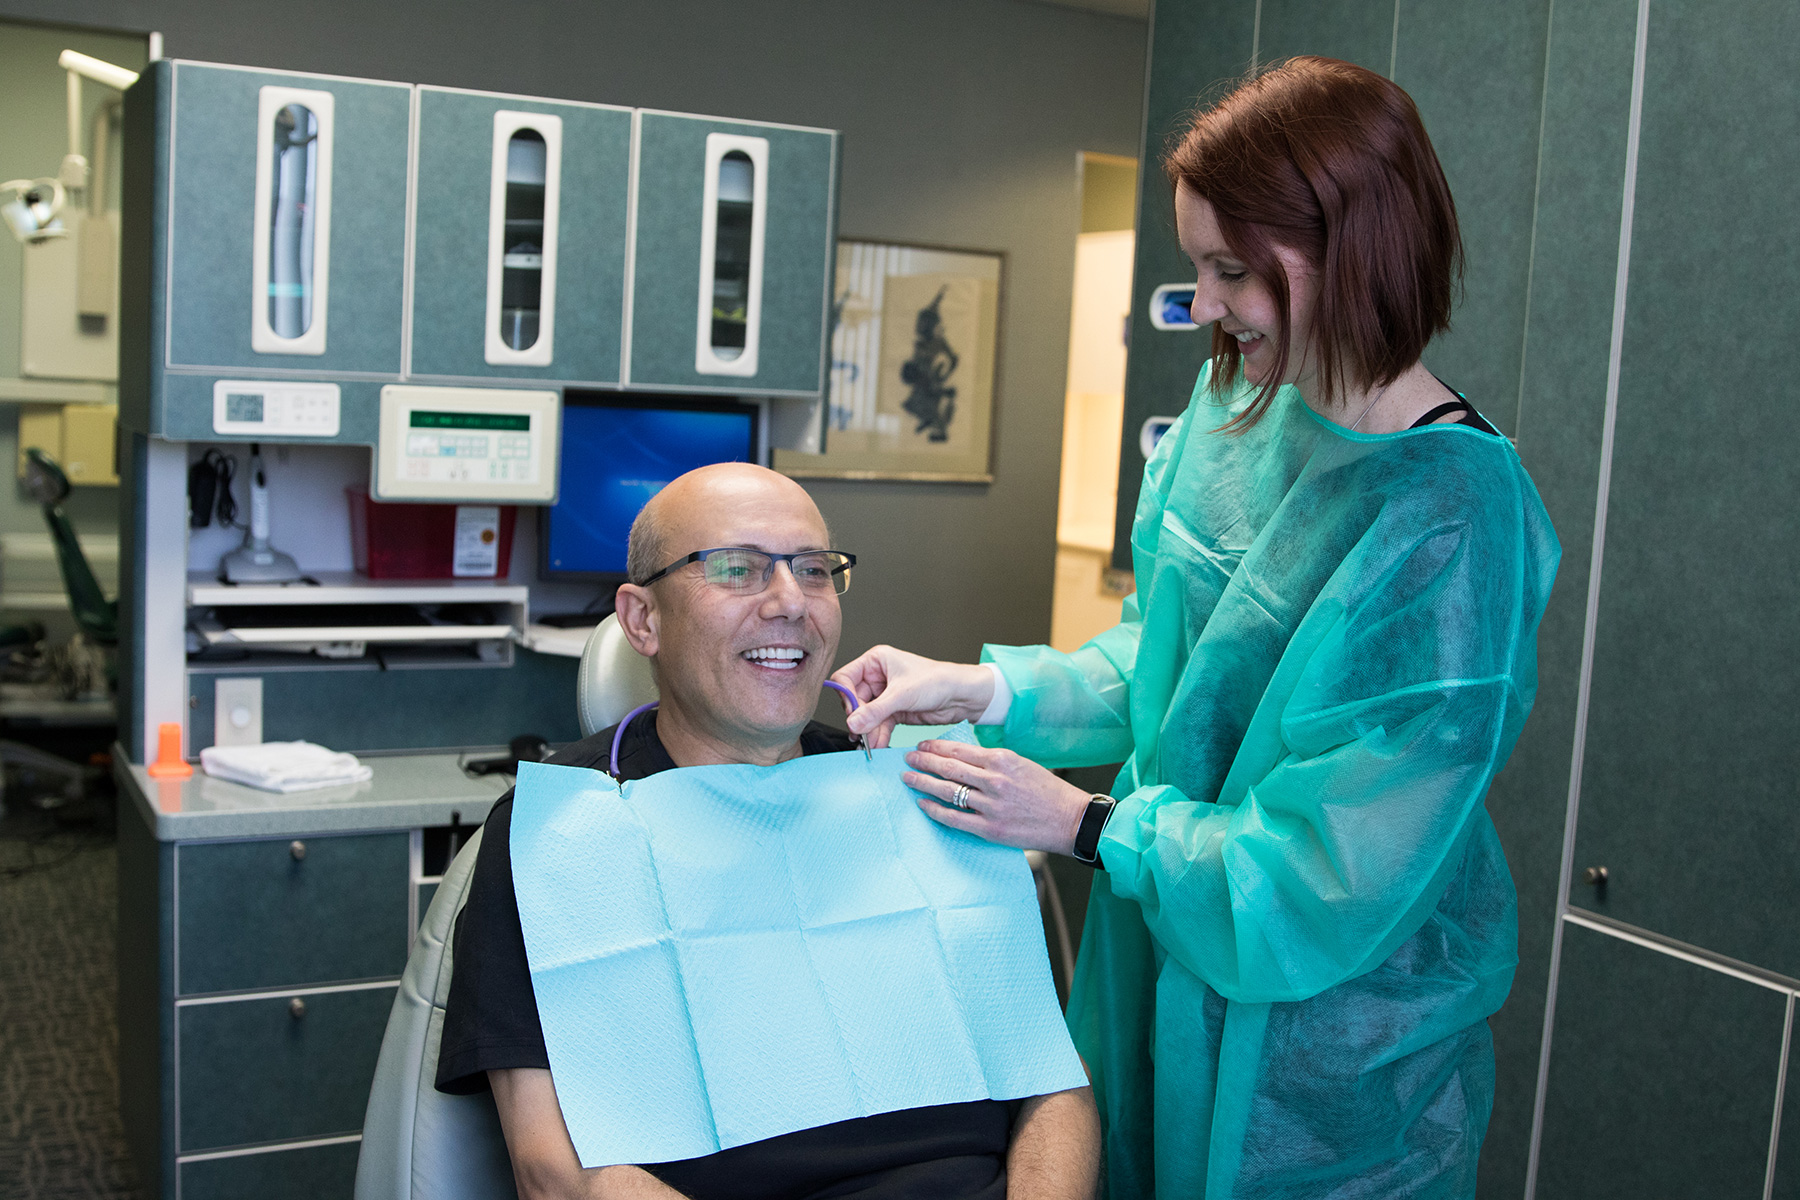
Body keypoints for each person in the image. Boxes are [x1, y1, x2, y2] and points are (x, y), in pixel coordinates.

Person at [833, 57, 1560, 1198]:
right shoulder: (1232, 415)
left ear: (1353, 252)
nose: (1205, 308)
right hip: (1151, 984)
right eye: (1198, 268)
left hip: (1326, 1074)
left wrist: (1087, 826)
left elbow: (1323, 877)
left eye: (1233, 272)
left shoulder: (1456, 517)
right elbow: (1168, 667)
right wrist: (987, 693)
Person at [436, 462, 1100, 1200]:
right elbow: (556, 1172)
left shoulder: (916, 790)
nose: (791, 602)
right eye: (738, 570)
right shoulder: (564, 832)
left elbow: (1052, 1084)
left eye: (814, 570)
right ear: (642, 619)